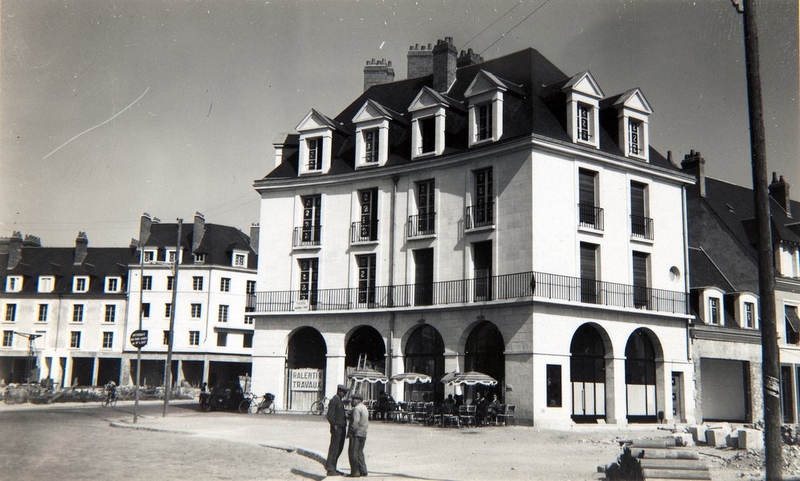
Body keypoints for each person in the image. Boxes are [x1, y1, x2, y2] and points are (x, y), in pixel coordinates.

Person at [326, 384, 349, 476]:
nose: (344, 395)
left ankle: (334, 467)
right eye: (343, 393)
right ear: (339, 391)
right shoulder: (334, 401)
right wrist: (334, 425)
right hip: (337, 428)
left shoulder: (339, 401)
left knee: (339, 448)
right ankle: (330, 469)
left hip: (342, 427)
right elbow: (330, 416)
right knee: (334, 448)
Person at [347, 392, 369, 477]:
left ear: (358, 400)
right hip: (363, 433)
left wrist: (351, 432)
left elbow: (355, 422)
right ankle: (363, 470)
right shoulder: (364, 407)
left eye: (353, 400)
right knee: (360, 452)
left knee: (353, 453)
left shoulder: (357, 409)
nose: (352, 401)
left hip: (356, 434)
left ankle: (355, 472)